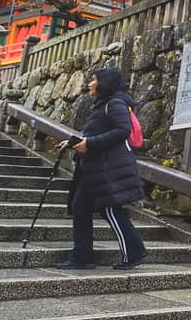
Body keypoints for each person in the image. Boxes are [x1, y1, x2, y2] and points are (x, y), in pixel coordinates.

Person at [57, 67, 148, 270]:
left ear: (104, 82)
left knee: (111, 211)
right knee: (81, 208)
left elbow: (122, 131)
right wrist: (72, 143)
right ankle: (82, 256)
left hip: (108, 169)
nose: (89, 83)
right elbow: (96, 134)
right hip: (94, 170)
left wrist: (89, 144)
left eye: (93, 79)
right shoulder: (102, 105)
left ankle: (134, 252)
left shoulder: (115, 103)